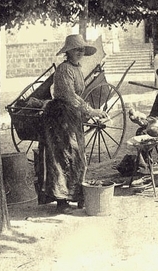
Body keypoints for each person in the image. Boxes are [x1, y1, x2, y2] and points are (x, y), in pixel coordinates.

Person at [40, 34, 107, 214]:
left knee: (78, 155)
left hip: (73, 116)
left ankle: (77, 195)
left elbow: (78, 97)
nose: (80, 52)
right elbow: (69, 95)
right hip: (59, 117)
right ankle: (61, 201)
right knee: (63, 156)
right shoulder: (64, 69)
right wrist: (91, 111)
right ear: (68, 52)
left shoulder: (77, 69)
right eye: (77, 49)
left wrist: (86, 113)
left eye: (82, 50)